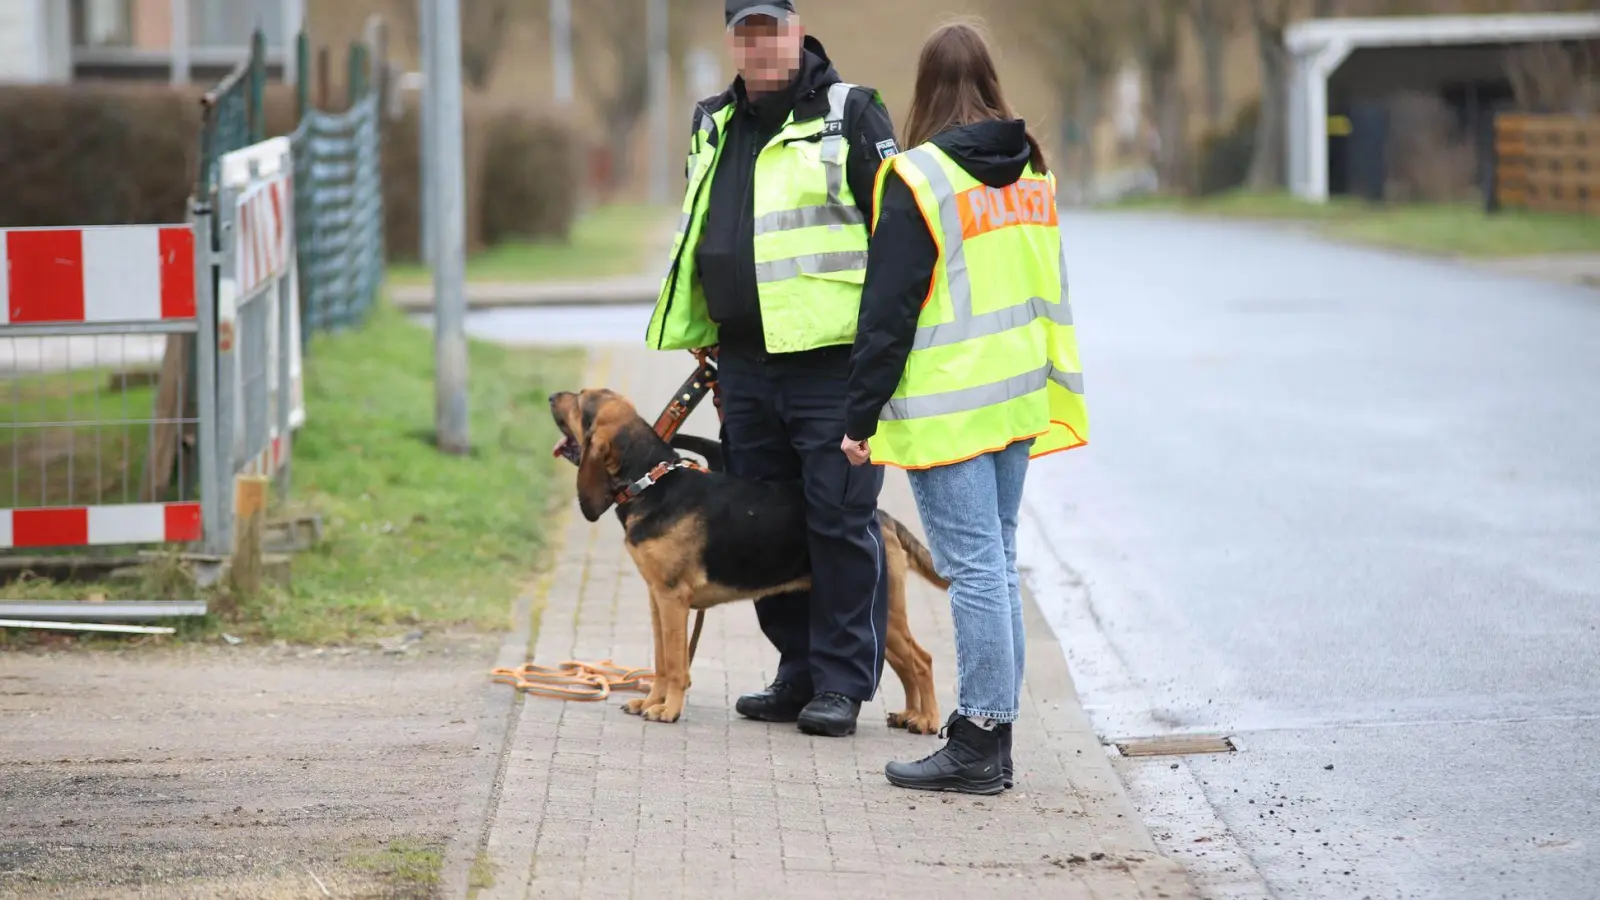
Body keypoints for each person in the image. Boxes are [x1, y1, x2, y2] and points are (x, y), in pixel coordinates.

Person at [839, 19, 1089, 794]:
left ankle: (979, 738)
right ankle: (993, 737)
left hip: (951, 409)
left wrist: (859, 417)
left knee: (976, 568)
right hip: (1017, 397)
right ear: (990, 83)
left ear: (924, 90)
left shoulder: (919, 178)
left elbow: (888, 313)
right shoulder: (1032, 172)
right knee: (996, 564)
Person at [644, 0, 904, 737]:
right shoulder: (713, 120)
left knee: (839, 519)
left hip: (830, 367)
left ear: (797, 32)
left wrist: (879, 360)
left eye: (772, 29)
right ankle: (796, 672)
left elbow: (896, 236)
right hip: (744, 366)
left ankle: (843, 684)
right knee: (762, 525)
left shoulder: (849, 113)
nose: (759, 45)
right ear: (731, 41)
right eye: (745, 32)